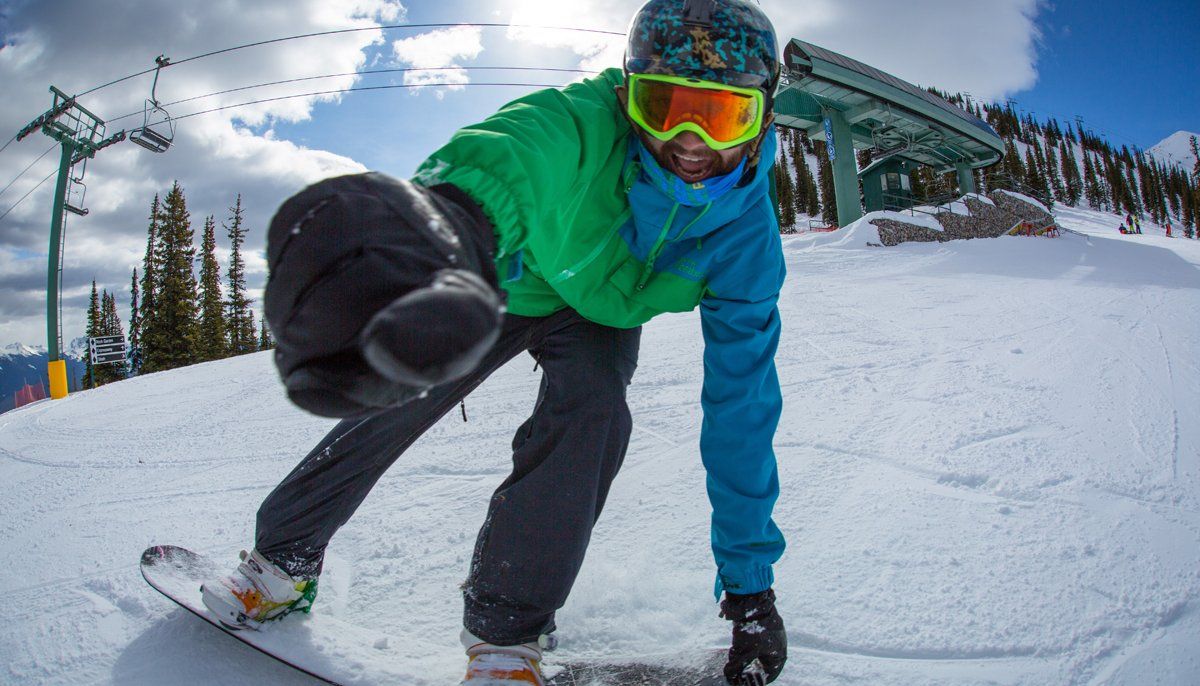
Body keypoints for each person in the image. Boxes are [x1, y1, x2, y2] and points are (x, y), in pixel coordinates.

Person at [200, 1, 790, 684]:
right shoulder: (586, 122)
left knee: (594, 409)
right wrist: (449, 228)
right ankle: (283, 560)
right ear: (629, 95)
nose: (689, 141)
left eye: (722, 117)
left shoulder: (746, 241)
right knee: (407, 371)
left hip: (599, 318)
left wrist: (751, 589)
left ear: (762, 117)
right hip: (519, 277)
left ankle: (507, 634)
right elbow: (513, 153)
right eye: (663, 108)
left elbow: (742, 411)